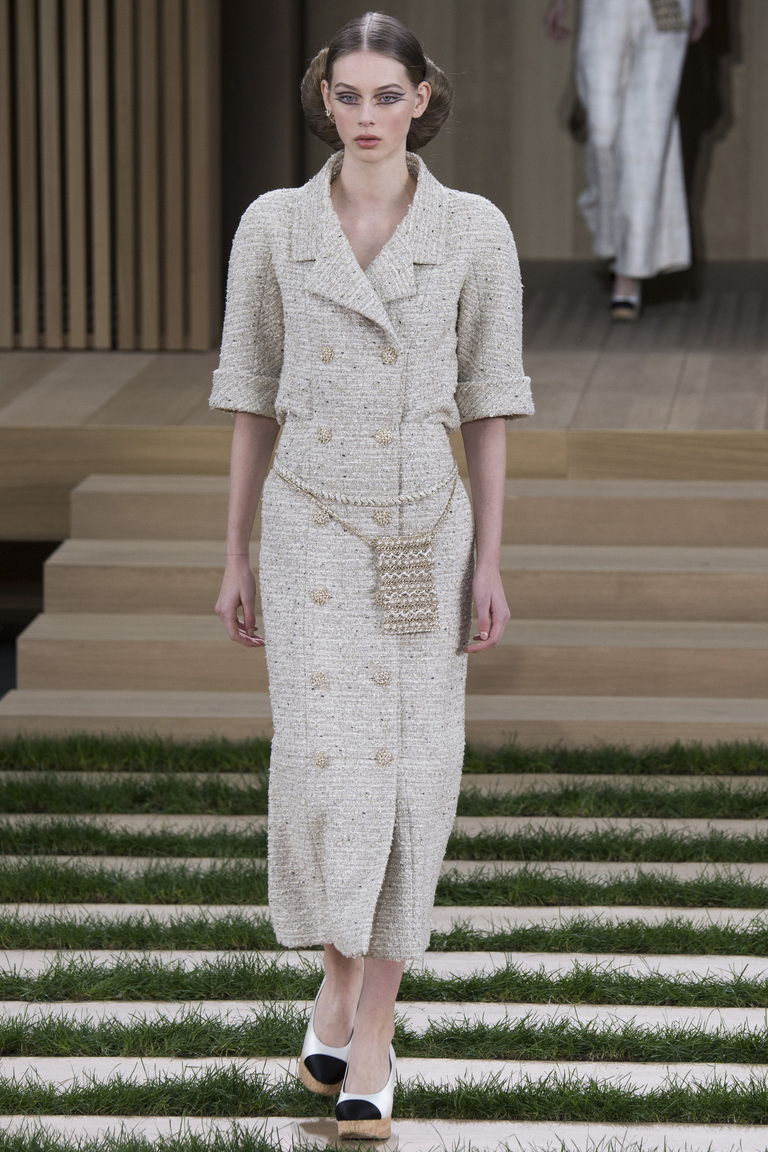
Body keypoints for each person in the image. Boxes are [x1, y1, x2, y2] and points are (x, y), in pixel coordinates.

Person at [210, 11, 533, 1140]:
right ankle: (337, 977)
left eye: (386, 95)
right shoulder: (274, 226)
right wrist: (234, 550)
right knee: (324, 773)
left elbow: (491, 403)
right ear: (324, 98)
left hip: (423, 532)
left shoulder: (475, 231)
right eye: (346, 95)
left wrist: (491, 558)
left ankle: (374, 1028)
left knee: (411, 777)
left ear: (423, 97)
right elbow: (250, 392)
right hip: (308, 527)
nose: (365, 116)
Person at [545, 0, 710, 318]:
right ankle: (614, 235)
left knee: (647, 143)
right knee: (602, 133)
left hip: (667, 4)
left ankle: (628, 274)